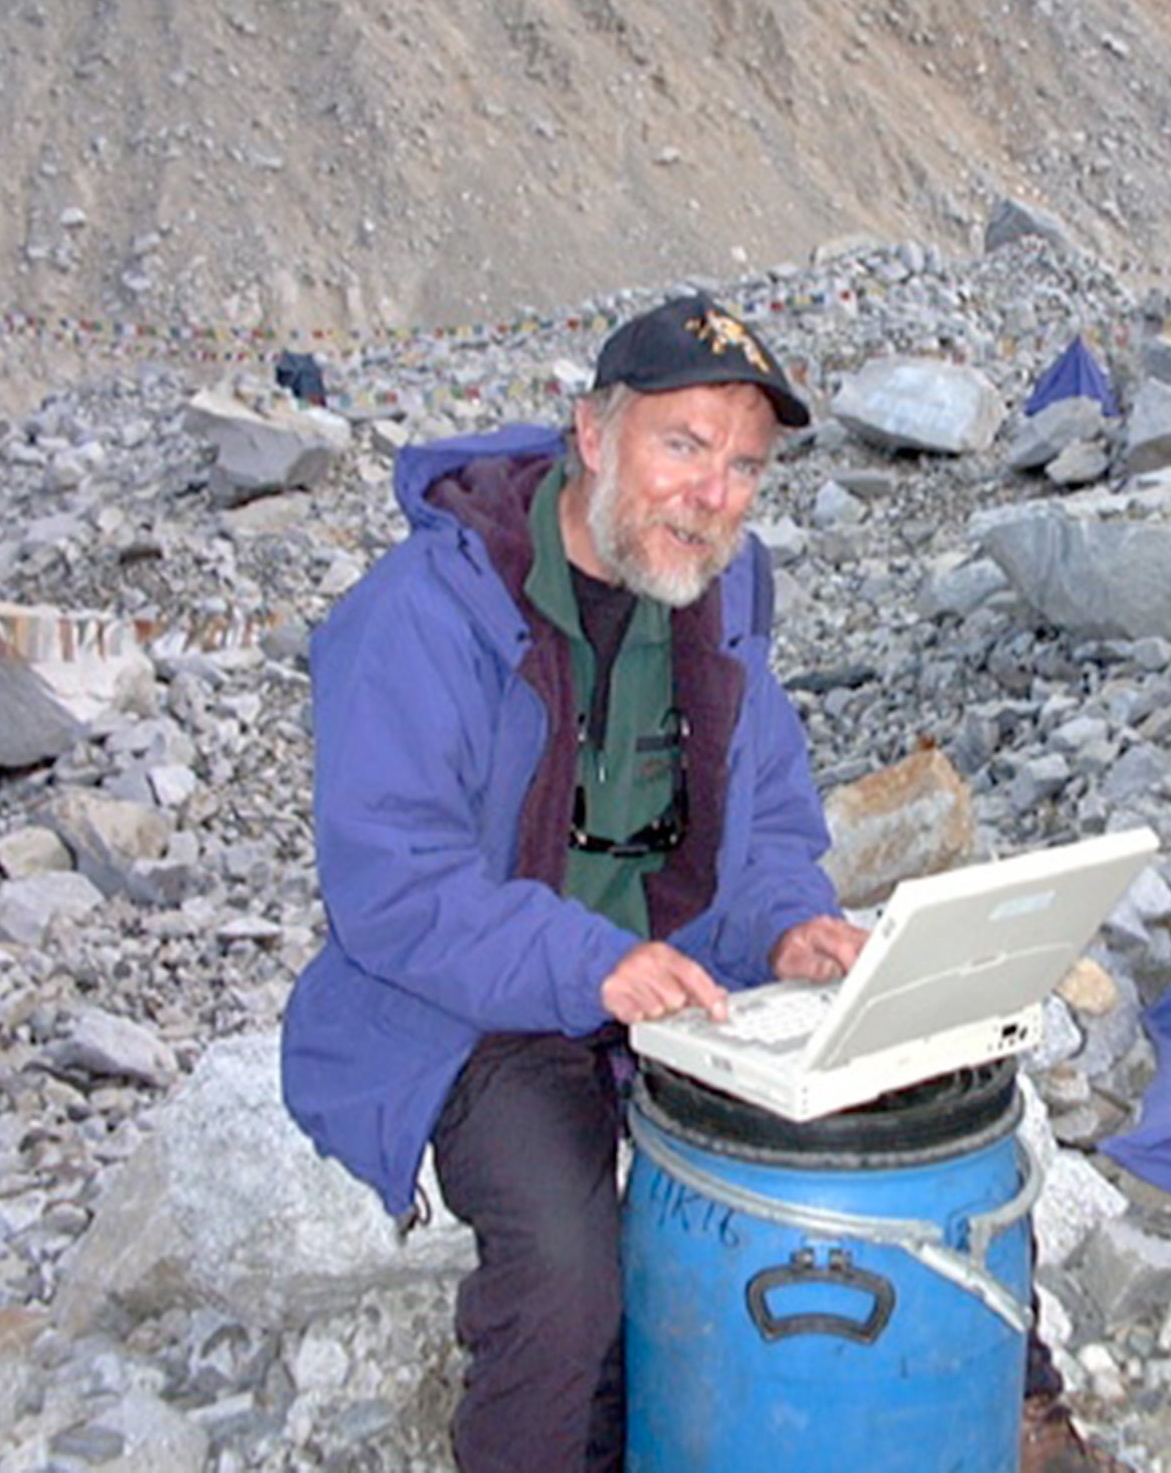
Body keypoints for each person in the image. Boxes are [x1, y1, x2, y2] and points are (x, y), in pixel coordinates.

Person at [280, 293, 1110, 1472]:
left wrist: (787, 929)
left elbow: (770, 815)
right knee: (566, 1272)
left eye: (742, 467)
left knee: (934, 1113)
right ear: (592, 434)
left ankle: (1010, 1415)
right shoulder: (423, 614)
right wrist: (590, 965)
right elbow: (393, 884)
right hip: (476, 1005)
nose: (712, 495)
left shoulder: (716, 597)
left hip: (686, 981)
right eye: (681, 446)